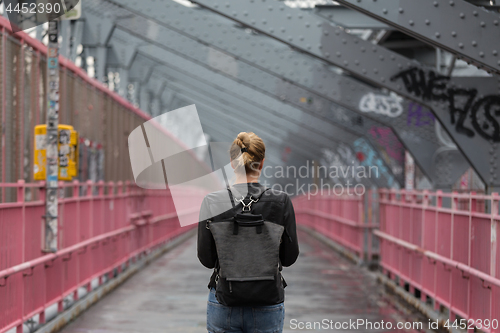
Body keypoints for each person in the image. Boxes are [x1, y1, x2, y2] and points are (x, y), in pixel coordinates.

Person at [197, 132, 299, 333]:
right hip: (267, 300)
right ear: (261, 163)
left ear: (232, 164)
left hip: (224, 299)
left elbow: (207, 260)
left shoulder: (212, 202)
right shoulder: (281, 202)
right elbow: (289, 258)